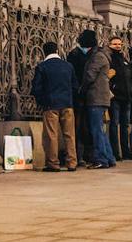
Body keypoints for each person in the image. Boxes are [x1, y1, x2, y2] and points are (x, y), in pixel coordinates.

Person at [31, 41, 78, 172]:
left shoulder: (42, 67)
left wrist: (42, 101)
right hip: (67, 104)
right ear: (57, 50)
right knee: (69, 135)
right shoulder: (68, 66)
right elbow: (75, 86)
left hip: (50, 105)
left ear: (44, 51)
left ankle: (53, 163)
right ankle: (72, 163)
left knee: (51, 135)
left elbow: (36, 88)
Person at [78, 29, 118, 169]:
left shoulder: (97, 57)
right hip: (100, 98)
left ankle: (101, 159)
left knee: (96, 130)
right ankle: (109, 157)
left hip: (96, 98)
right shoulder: (100, 55)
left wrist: (81, 90)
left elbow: (90, 75)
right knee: (101, 130)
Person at [66, 36, 93, 164]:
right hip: (79, 95)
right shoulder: (76, 55)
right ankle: (80, 155)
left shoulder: (86, 54)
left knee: (85, 127)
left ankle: (86, 154)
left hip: (85, 95)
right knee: (79, 126)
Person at [107, 36, 132, 160]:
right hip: (115, 97)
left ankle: (125, 151)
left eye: (119, 44)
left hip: (126, 97)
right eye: (115, 44)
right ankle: (115, 153)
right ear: (110, 44)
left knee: (125, 125)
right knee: (114, 124)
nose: (117, 46)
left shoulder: (124, 59)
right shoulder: (109, 58)